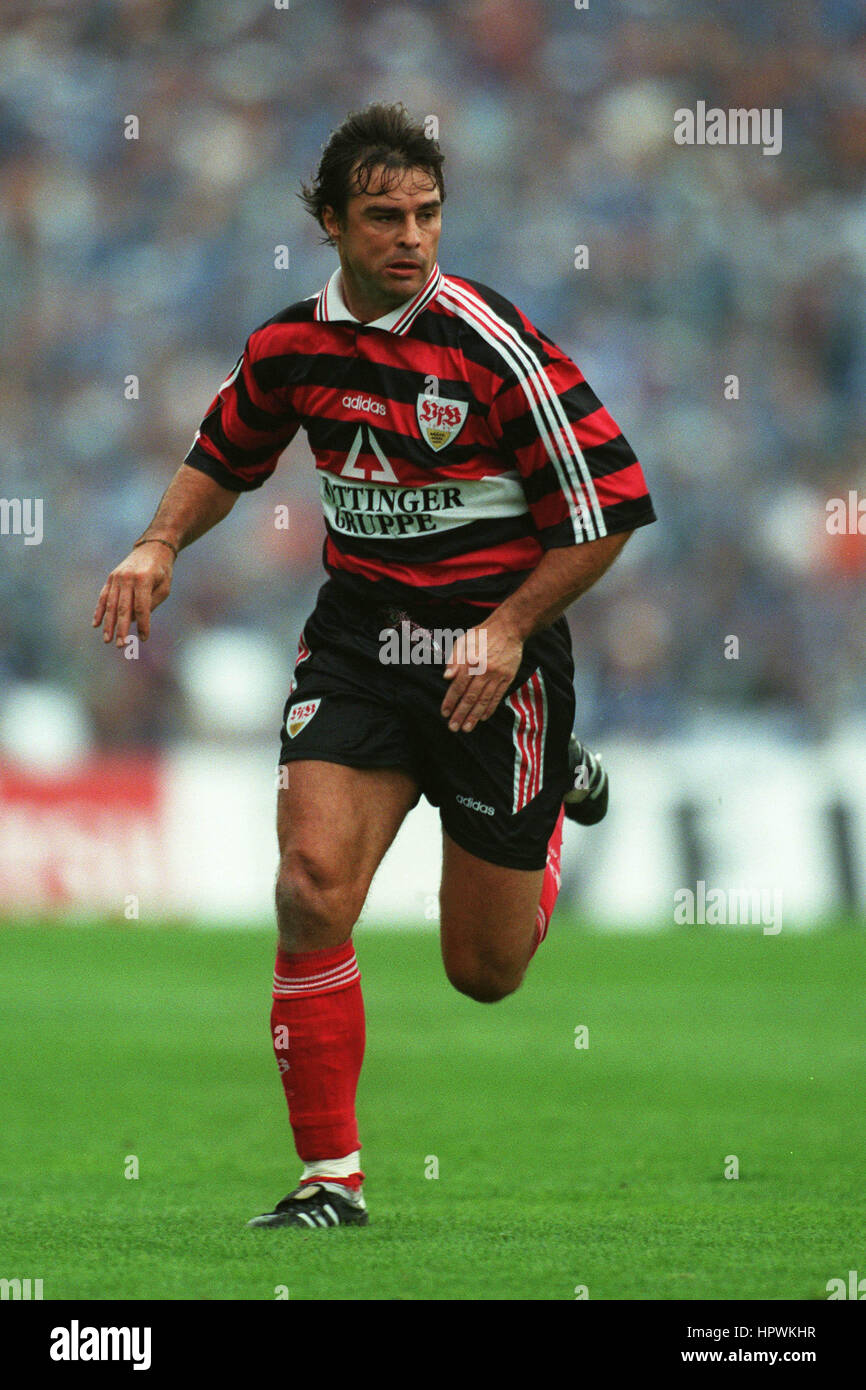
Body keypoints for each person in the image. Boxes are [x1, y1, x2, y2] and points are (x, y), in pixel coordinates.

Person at [93, 102, 656, 1230]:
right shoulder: (290, 346)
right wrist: (159, 540)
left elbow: (606, 510)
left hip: (491, 660)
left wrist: (503, 628)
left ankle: (552, 786)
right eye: (384, 216)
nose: (411, 236)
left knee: (482, 972)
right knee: (308, 886)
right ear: (332, 226)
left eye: (428, 214)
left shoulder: (492, 345)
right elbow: (225, 454)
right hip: (358, 645)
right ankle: (328, 1183)